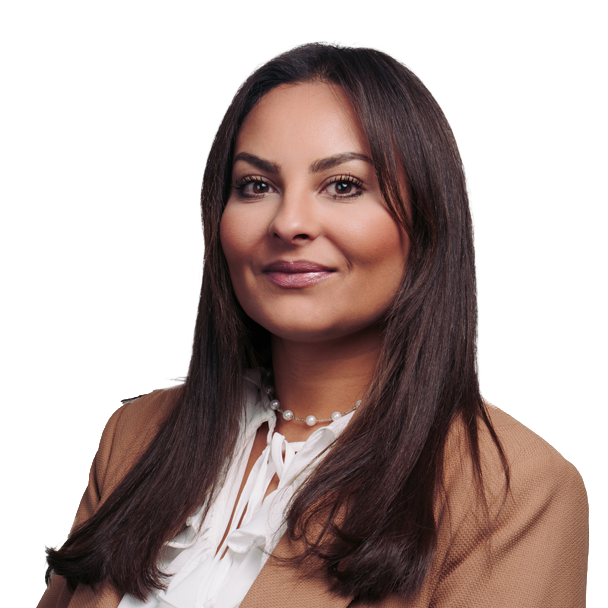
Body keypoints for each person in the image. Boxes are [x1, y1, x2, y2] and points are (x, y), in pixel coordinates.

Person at [39, 40, 588, 608]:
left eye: (343, 185)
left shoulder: (512, 491)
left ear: (427, 220)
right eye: (257, 185)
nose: (289, 222)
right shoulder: (135, 435)